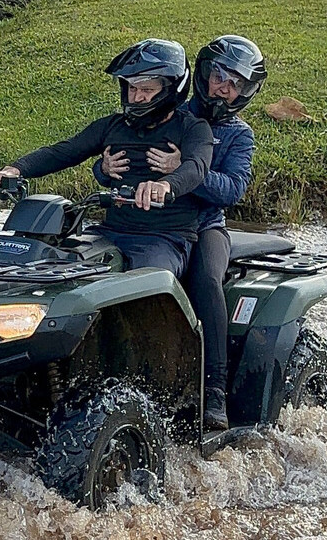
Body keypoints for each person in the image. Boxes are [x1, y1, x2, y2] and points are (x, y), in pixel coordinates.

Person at [95, 35, 267, 429]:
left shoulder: (239, 134)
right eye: (217, 76)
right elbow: (124, 158)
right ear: (202, 74)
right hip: (145, 224)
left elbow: (233, 189)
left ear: (245, 91)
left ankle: (215, 391)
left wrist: (184, 171)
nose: (221, 87)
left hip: (205, 226)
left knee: (206, 280)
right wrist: (104, 170)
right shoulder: (171, 113)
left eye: (233, 83)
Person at [0, 38, 214, 277]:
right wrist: (16, 169)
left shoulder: (194, 128)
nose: (137, 97)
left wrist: (165, 185)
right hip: (109, 232)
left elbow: (196, 167)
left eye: (147, 90)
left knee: (148, 283)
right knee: (53, 269)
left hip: (164, 239)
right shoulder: (112, 126)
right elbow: (65, 151)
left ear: (171, 90)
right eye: (132, 89)